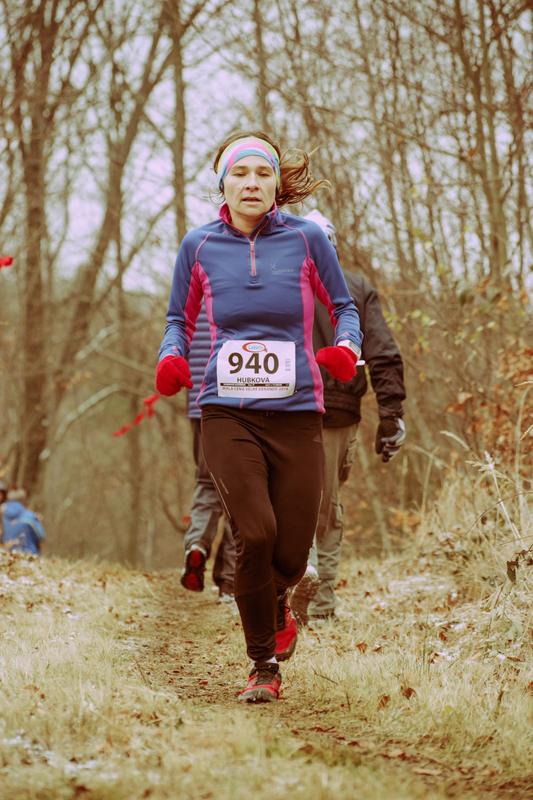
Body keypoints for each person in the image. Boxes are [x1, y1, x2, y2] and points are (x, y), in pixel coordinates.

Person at [155, 130, 362, 703]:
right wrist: (171, 357)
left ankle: (276, 599)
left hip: (298, 411)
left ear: (277, 185)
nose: (251, 183)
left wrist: (346, 349)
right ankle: (263, 664)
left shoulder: (307, 239)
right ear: (223, 184)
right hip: (227, 412)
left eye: (262, 173)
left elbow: (344, 307)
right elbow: (178, 319)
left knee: (291, 553)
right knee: (254, 532)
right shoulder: (198, 245)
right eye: (240, 174)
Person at [290, 210, 406, 624]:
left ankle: (298, 584)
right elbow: (384, 354)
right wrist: (391, 416)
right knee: (327, 506)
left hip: (287, 406)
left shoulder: (279, 282)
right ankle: (320, 605)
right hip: (338, 410)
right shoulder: (355, 287)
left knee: (289, 499)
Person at [181, 304, 236, 603]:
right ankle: (229, 580)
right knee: (239, 491)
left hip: (199, 407)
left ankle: (197, 546)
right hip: (237, 406)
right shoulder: (241, 295)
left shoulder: (192, 303)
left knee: (206, 482)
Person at [0, 485, 46, 556]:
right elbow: (41, 535)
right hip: (29, 552)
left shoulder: (3, 510)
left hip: (10, 551)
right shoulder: (29, 514)